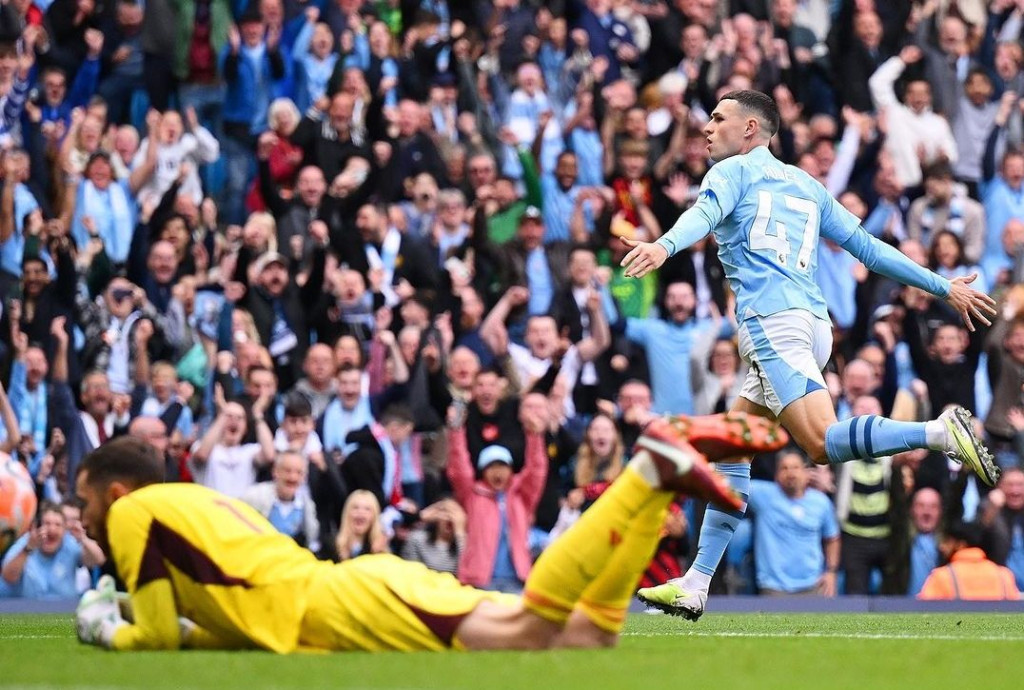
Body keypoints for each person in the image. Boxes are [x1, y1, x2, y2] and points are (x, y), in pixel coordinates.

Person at [624, 90, 999, 620]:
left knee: (821, 444)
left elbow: (702, 216)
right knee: (735, 445)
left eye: (718, 118)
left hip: (773, 325)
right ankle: (696, 583)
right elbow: (869, 248)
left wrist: (663, 246)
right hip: (810, 323)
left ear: (751, 129)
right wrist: (943, 287)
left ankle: (938, 434)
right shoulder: (807, 185)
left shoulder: (730, 173)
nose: (707, 128)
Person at [73, 416, 785, 652]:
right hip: (346, 593)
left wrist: (105, 624)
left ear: (114, 493)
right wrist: (141, 610)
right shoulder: (190, 501)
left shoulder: (135, 515)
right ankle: (653, 486)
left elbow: (158, 639)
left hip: (338, 604)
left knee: (527, 630)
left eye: (83, 506)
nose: (84, 520)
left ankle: (645, 472)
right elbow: (216, 620)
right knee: (586, 635)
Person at [917, 521, 1020, 601]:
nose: (942, 547)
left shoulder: (941, 577)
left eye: (947, 541)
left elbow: (922, 618)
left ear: (961, 544)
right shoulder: (1004, 576)